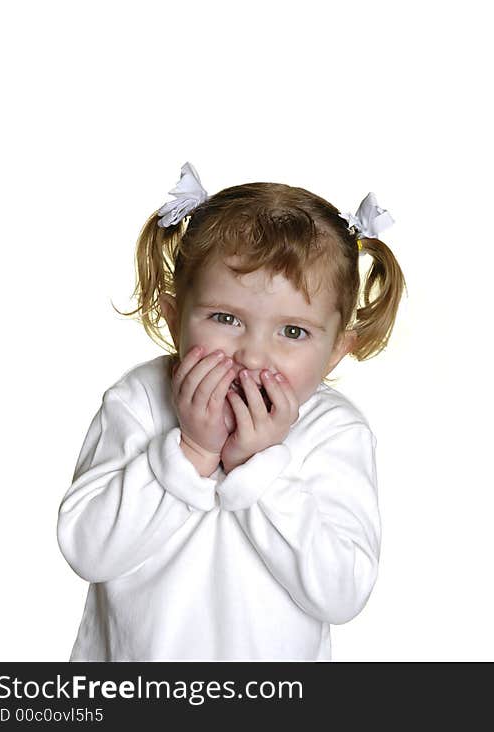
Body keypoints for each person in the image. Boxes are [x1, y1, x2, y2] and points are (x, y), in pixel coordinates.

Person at [57, 163, 405, 660]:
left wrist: (257, 468)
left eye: (293, 331)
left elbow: (342, 592)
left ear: (335, 350)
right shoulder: (139, 400)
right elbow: (87, 550)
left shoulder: (334, 431)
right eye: (226, 319)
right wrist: (191, 451)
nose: (253, 355)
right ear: (175, 316)